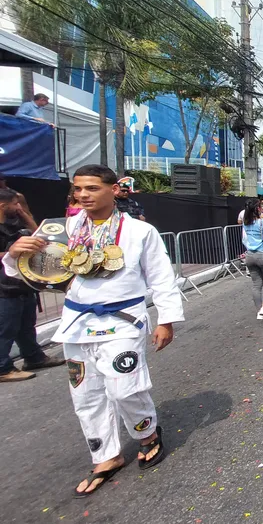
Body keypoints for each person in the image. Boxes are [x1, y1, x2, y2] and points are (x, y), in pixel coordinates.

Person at [3, 164, 182, 496]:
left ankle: (147, 433)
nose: (83, 194)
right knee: (85, 395)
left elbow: (161, 278)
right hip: (77, 324)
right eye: (77, 189)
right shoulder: (61, 229)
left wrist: (167, 320)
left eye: (91, 188)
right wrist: (14, 256)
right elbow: (37, 272)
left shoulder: (140, 231)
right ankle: (106, 456)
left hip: (123, 321)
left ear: (113, 190)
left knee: (125, 388)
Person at [0, 188, 65, 382]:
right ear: (3, 205)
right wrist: (12, 254)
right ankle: (3, 368)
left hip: (21, 285)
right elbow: (11, 253)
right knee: (5, 328)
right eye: (15, 204)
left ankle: (34, 357)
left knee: (26, 326)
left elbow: (38, 233)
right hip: (4, 289)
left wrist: (24, 214)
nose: (18, 207)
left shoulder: (13, 223)